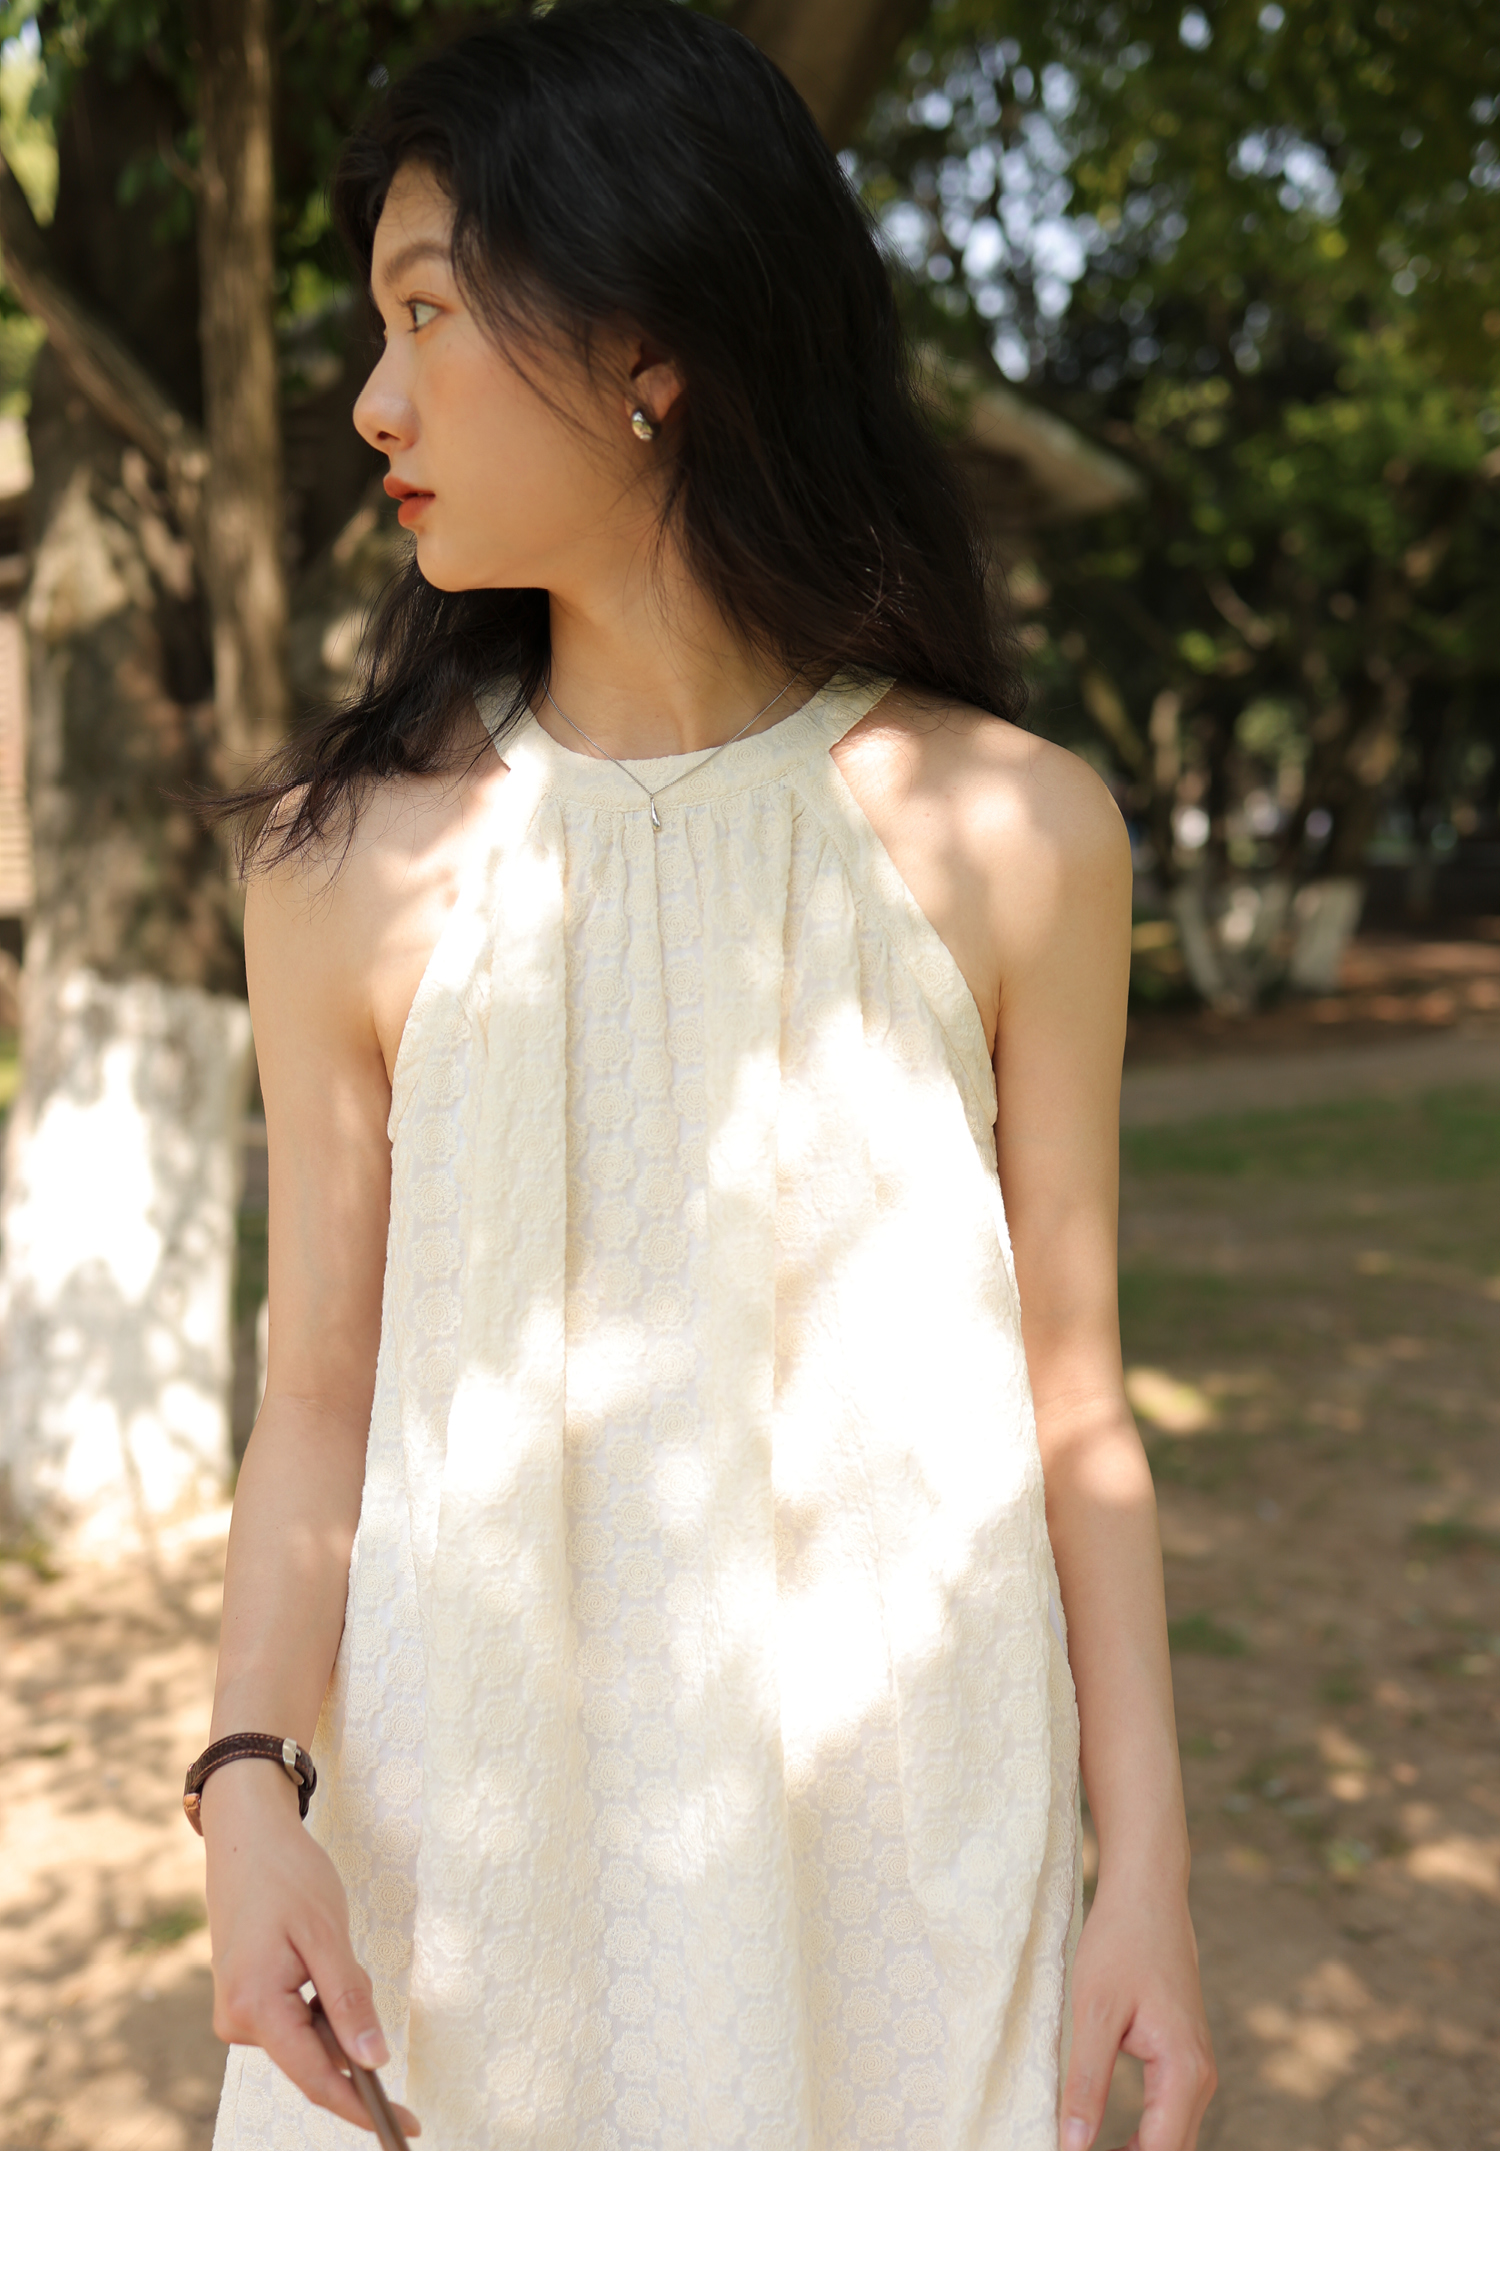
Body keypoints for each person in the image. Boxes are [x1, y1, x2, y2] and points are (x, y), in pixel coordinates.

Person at [199, 0, 1214, 2152]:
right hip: (463, 1870)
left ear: (648, 343)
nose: (374, 396)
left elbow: (1077, 1407)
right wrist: (247, 1795)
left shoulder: (1019, 834)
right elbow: (315, 1406)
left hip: (908, 1852)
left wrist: (1149, 1874)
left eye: (426, 312)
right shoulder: (340, 872)